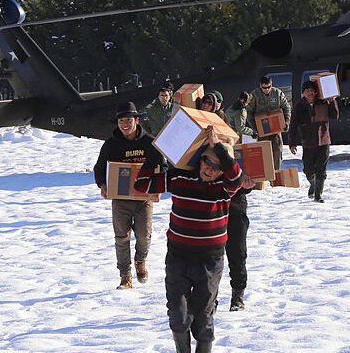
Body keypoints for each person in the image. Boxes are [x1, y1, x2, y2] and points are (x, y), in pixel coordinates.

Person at [136, 127, 254, 353]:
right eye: (207, 162)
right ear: (200, 160)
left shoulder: (225, 188)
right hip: (178, 257)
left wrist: (219, 147)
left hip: (209, 261)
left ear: (222, 171)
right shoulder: (180, 178)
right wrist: (154, 154)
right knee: (178, 317)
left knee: (203, 318)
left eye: (217, 166)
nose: (210, 168)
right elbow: (142, 185)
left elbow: (237, 177)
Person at [93, 101, 166, 289]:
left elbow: (163, 166)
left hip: (144, 199)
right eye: (121, 120)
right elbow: (99, 167)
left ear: (137, 120)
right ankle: (125, 275)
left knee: (144, 236)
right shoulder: (111, 144)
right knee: (121, 237)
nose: (124, 124)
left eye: (128, 120)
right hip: (120, 199)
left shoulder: (149, 142)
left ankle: (140, 260)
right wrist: (102, 184)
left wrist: (157, 187)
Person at [222, 91, 255, 312]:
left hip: (235, 208)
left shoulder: (241, 144)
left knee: (237, 254)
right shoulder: (203, 149)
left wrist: (250, 183)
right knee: (210, 261)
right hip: (211, 211)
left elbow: (253, 174)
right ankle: (209, 299)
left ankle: (237, 295)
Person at [287, 80, 339, 203]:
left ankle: (318, 196)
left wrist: (332, 102)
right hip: (308, 143)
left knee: (321, 170)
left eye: (311, 90)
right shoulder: (298, 108)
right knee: (308, 170)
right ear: (303, 93)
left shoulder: (324, 102)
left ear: (315, 92)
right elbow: (293, 127)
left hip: (324, 141)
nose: (310, 93)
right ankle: (313, 184)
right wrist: (292, 143)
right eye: (307, 91)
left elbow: (335, 116)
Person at [246, 76, 291, 170]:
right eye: (264, 88)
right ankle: (265, 175)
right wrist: (255, 128)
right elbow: (249, 112)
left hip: (275, 128)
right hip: (261, 129)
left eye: (268, 87)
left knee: (277, 151)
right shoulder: (254, 95)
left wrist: (286, 121)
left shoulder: (277, 93)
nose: (267, 90)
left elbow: (286, 108)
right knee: (263, 154)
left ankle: (276, 173)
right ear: (260, 86)